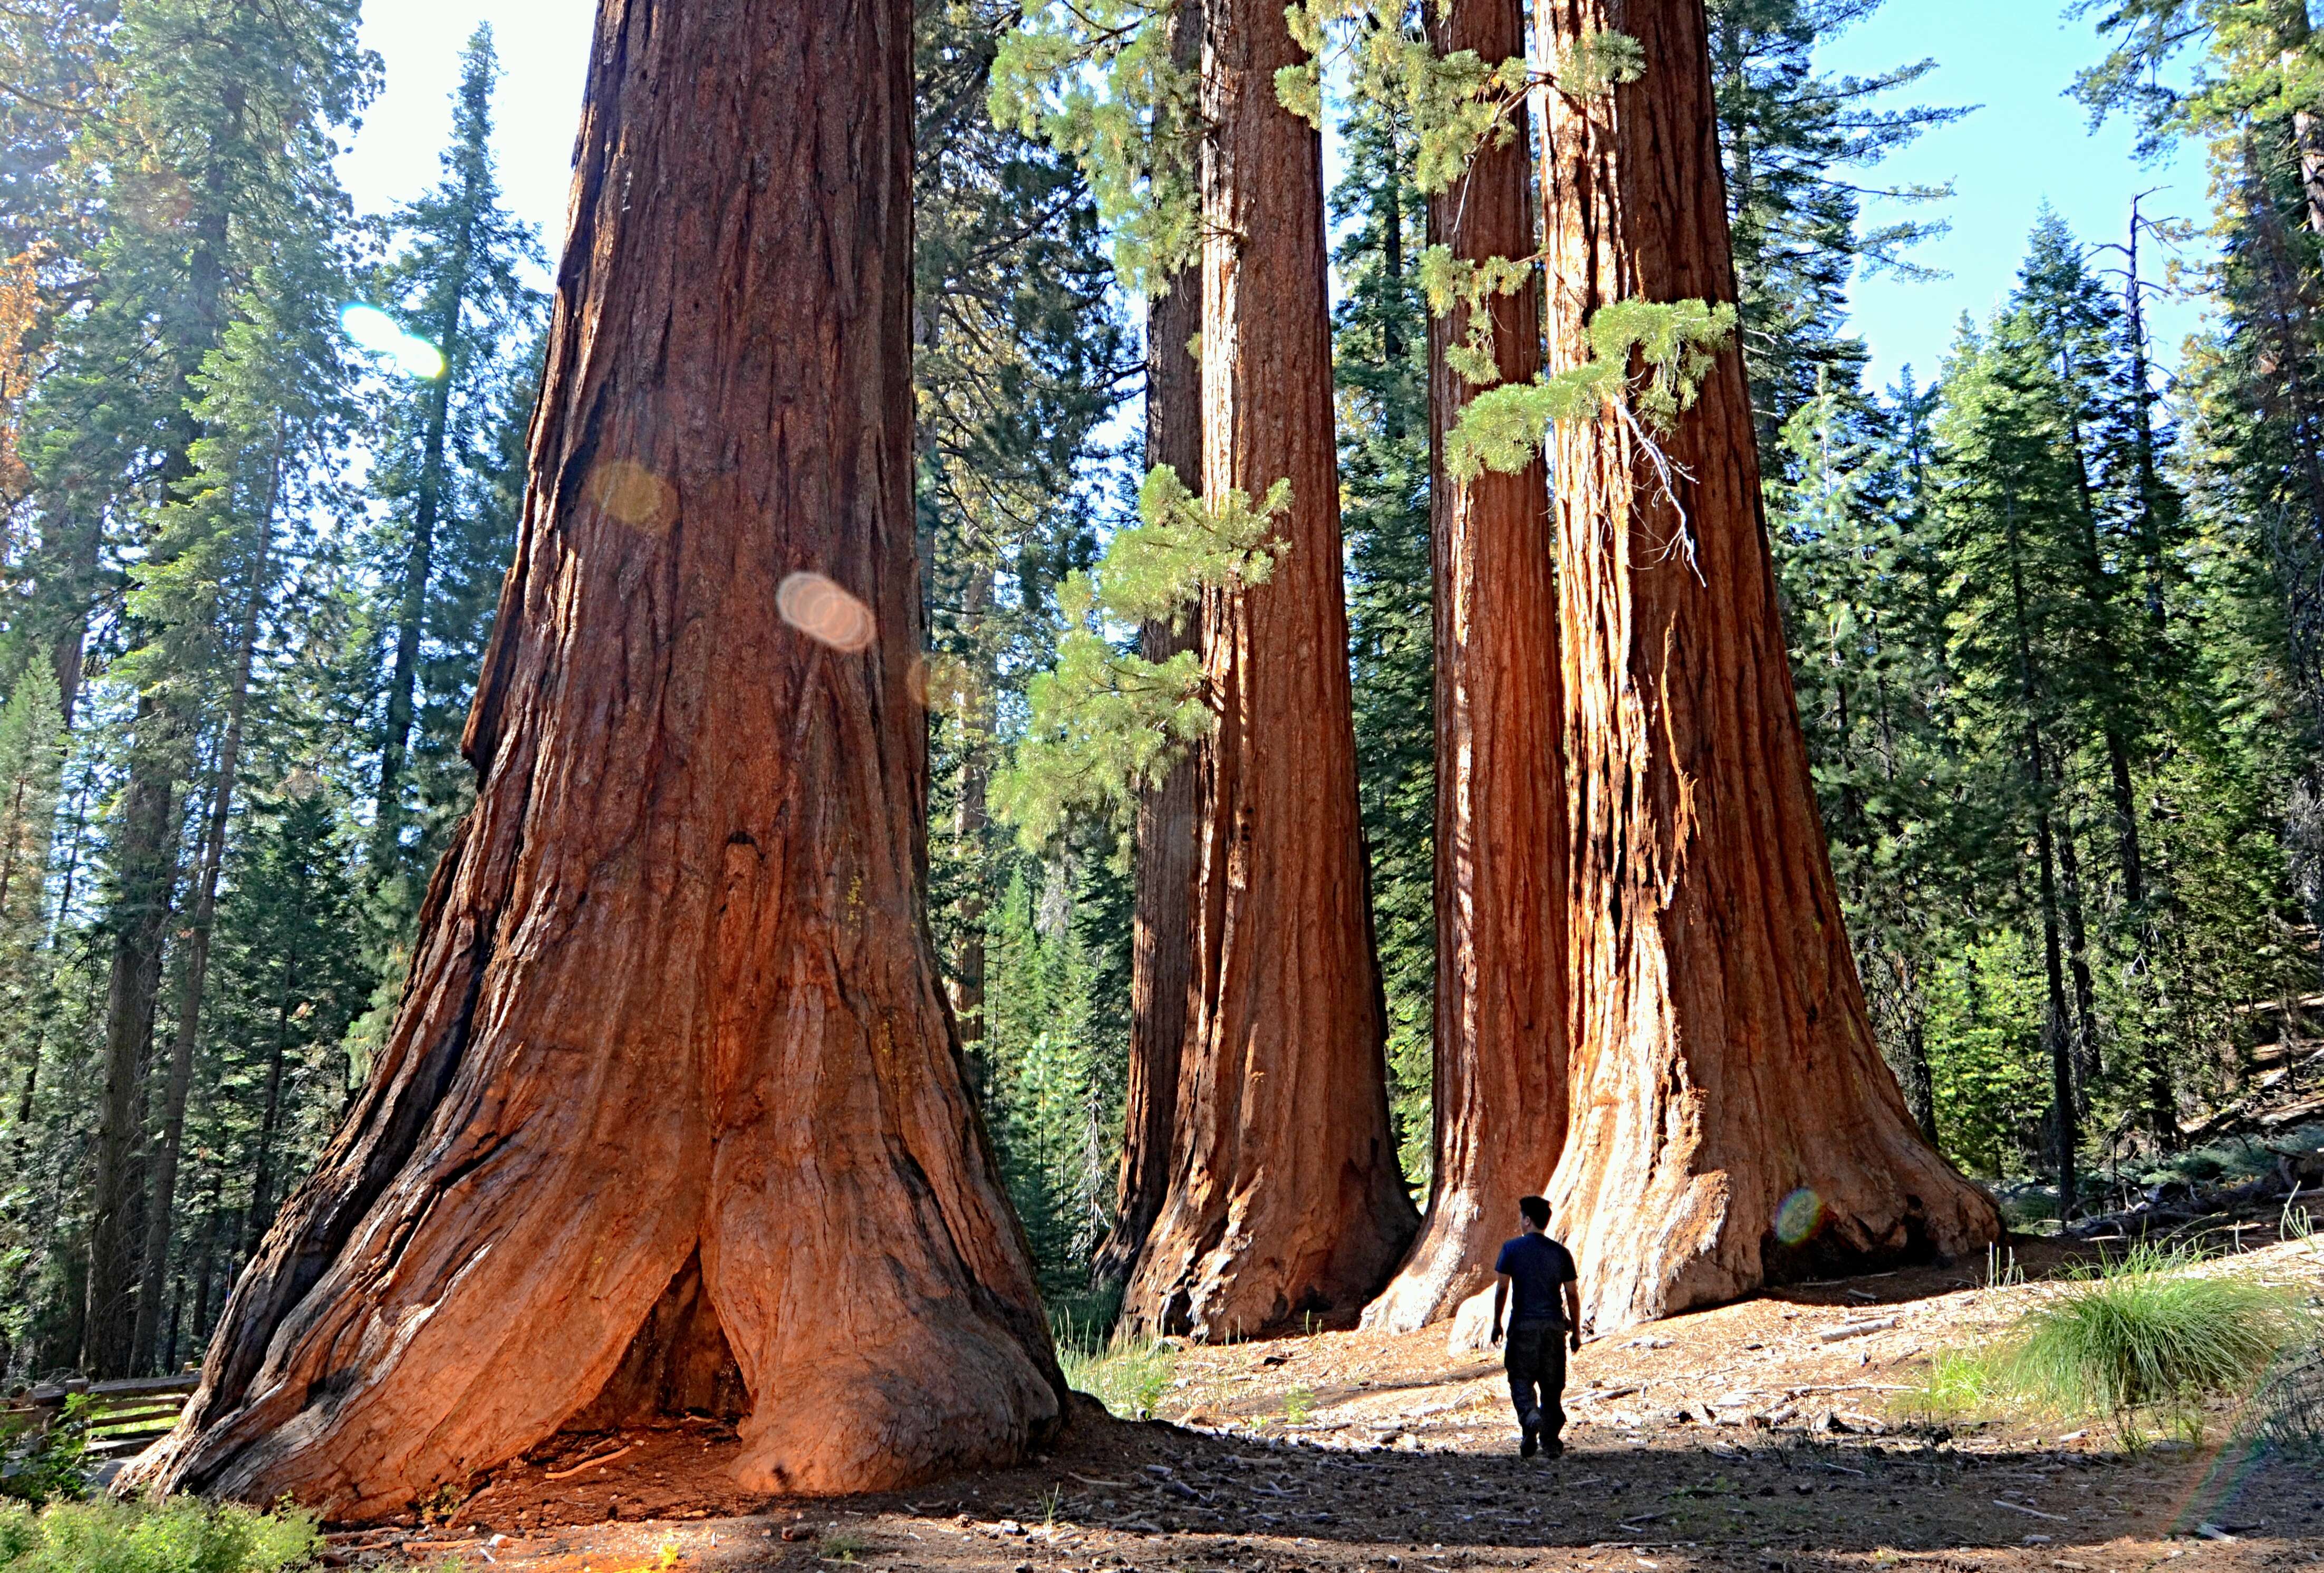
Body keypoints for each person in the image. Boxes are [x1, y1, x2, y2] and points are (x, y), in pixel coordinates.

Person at [1490, 1194, 1581, 1459]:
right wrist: (1576, 1331)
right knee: (1552, 1386)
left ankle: (1530, 1417)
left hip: (1523, 1328)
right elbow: (1572, 1295)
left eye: (1521, 1217)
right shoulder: (1561, 1254)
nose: (1520, 1221)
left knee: (1520, 1378)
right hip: (1554, 1328)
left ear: (1527, 1220)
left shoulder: (1511, 1249)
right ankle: (1551, 1442)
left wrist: (1497, 1323)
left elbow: (1502, 1289)